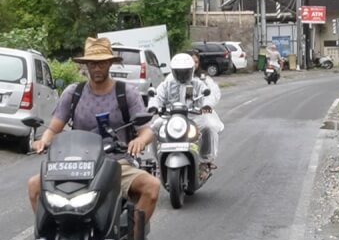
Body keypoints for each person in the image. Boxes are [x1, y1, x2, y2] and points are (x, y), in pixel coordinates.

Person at [27, 37, 161, 225]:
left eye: (102, 63)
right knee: (34, 185)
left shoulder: (127, 93)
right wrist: (43, 140)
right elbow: (53, 128)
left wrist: (140, 141)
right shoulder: (73, 93)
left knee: (152, 187)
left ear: (109, 64)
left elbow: (146, 131)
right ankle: (51, 234)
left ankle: (131, 239)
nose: (97, 68)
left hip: (116, 164)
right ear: (85, 66)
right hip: (75, 166)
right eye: (92, 63)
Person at [148, 53, 221, 179]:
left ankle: (205, 161)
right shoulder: (167, 83)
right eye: (179, 72)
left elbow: (208, 95)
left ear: (191, 70)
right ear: (173, 71)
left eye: (185, 71)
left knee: (209, 126)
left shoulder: (198, 83)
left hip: (194, 116)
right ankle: (158, 161)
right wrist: (153, 106)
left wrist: (207, 105)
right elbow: (157, 96)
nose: (182, 75)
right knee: (154, 128)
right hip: (170, 117)